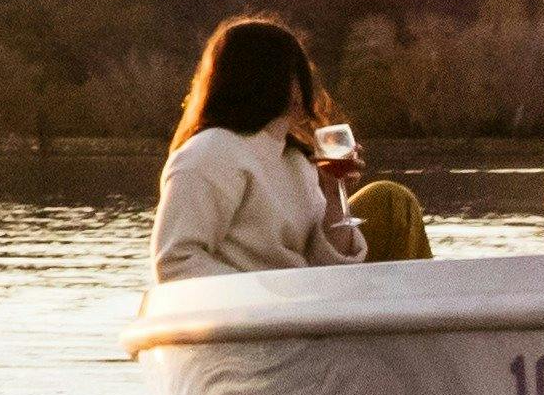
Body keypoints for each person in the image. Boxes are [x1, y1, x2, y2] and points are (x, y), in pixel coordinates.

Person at [149, 14, 430, 280]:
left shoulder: (294, 158)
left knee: (391, 200)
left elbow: (328, 267)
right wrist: (266, 296)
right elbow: (176, 261)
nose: (302, 89)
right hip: (249, 317)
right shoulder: (211, 152)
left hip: (301, 305)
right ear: (261, 81)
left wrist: (333, 192)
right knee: (387, 200)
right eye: (293, 75)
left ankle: (426, 317)